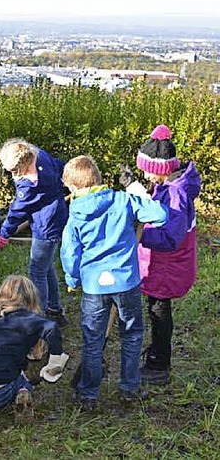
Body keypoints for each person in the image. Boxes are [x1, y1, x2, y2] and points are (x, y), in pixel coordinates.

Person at [60, 155, 168, 408]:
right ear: (98, 179)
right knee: (131, 334)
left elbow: (69, 252)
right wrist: (138, 205)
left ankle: (88, 394)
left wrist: (73, 278)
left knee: (92, 339)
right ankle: (130, 388)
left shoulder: (75, 215)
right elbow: (160, 214)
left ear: (75, 188)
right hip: (126, 283)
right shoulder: (123, 201)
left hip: (94, 287)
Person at [123, 124, 201, 386]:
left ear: (160, 170)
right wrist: (134, 188)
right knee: (156, 309)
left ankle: (159, 364)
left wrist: (140, 233)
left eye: (146, 170)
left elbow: (169, 238)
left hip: (169, 266)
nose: (145, 174)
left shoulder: (176, 193)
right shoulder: (168, 185)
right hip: (162, 265)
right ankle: (157, 354)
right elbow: (155, 208)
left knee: (159, 312)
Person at [0, 275, 69, 418]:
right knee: (23, 379)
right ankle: (22, 392)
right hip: (0, 392)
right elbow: (51, 327)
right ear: (31, 297)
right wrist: (56, 359)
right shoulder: (28, 320)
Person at [0, 139, 69, 327]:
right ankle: (55, 309)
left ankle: (38, 320)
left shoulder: (28, 187)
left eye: (13, 171)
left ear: (23, 166)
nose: (12, 175)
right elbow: (60, 166)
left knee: (37, 271)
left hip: (46, 227)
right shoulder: (39, 154)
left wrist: (4, 234)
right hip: (57, 216)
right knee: (46, 266)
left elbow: (17, 212)